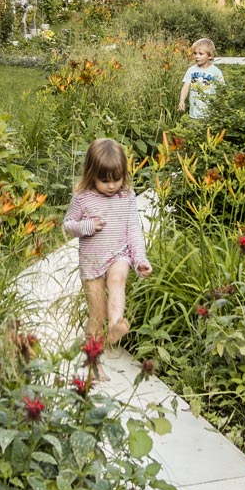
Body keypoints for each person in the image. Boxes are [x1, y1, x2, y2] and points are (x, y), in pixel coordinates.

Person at [63, 138, 151, 379]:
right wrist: (88, 226)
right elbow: (68, 225)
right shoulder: (83, 198)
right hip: (92, 265)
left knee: (118, 278)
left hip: (118, 254)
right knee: (96, 317)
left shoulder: (127, 197)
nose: (112, 186)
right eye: (105, 180)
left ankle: (116, 323)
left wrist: (140, 259)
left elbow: (133, 228)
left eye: (117, 178)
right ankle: (93, 359)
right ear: (92, 174)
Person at [178, 38, 225, 119]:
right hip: (194, 113)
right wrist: (182, 100)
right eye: (195, 53)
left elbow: (222, 90)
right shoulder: (191, 70)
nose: (197, 56)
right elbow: (186, 86)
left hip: (210, 114)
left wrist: (221, 107)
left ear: (210, 56)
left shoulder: (216, 72)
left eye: (200, 54)